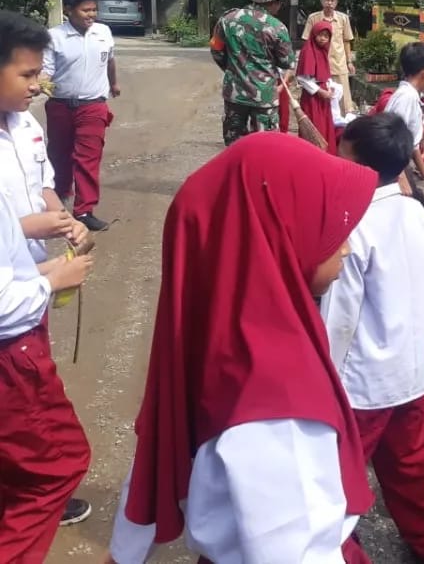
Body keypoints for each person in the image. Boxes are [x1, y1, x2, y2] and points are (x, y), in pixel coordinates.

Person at [106, 133, 379, 564]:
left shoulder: (222, 337)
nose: (345, 247)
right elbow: (292, 549)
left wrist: (124, 552)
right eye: (330, 229)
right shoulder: (279, 400)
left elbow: (158, 444)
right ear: (282, 233)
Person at [323, 114, 424, 564]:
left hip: (362, 382)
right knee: (414, 465)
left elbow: (339, 318)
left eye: (341, 152)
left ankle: (332, 549)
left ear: (356, 164)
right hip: (411, 370)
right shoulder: (413, 209)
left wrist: (321, 376)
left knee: (338, 476)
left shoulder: (353, 224)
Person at [0, 11, 94, 529]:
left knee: (25, 401)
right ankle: (34, 490)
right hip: (14, 295)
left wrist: (66, 222)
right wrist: (30, 227)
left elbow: (45, 186)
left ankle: (23, 483)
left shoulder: (26, 125)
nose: (37, 86)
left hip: (27, 292)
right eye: (27, 75)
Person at [41, 0, 119, 232]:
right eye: (86, 10)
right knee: (59, 156)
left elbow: (110, 59)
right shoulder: (54, 37)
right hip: (60, 106)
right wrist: (35, 84)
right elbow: (46, 71)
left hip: (93, 106)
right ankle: (57, 204)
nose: (91, 15)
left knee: (88, 160)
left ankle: (84, 210)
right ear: (68, 10)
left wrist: (114, 83)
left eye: (94, 10)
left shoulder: (103, 32)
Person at [210, 0, 295, 146]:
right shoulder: (277, 27)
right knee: (265, 147)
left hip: (234, 93)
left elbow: (216, 49)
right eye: (280, 2)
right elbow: (287, 62)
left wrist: (232, 69)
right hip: (264, 96)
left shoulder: (228, 19)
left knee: (234, 146)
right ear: (274, 2)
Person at [385, 42, 424, 192]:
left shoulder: (409, 95)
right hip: (394, 169)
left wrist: (423, 170)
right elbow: (392, 138)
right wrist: (401, 178)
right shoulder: (406, 98)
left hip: (401, 165)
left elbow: (411, 141)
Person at [303, 0, 356, 114]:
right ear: (322, 1)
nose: (329, 3)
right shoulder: (313, 18)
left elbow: (347, 41)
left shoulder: (343, 18)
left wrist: (349, 62)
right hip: (319, 65)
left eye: (332, 0)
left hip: (339, 63)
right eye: (327, 0)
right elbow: (307, 41)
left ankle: (344, 125)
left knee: (344, 100)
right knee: (321, 97)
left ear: (336, 3)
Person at [295, 19, 338, 154]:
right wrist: (319, 91)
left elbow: (325, 74)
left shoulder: (323, 51)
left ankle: (324, 155)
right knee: (314, 126)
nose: (323, 39)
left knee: (324, 126)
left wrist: (330, 87)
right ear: (314, 34)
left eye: (326, 36)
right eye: (320, 35)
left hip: (323, 96)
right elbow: (302, 78)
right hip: (312, 98)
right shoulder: (308, 50)